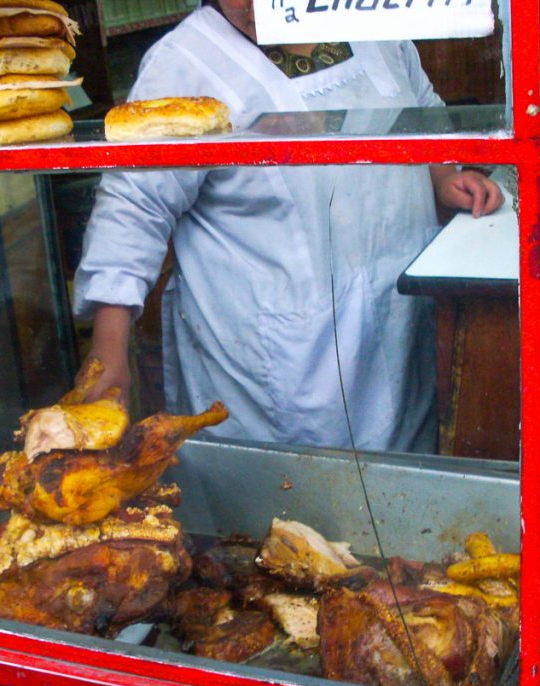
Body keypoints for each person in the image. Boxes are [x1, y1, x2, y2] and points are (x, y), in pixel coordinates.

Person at [72, 0, 503, 453]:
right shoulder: (184, 63)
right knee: (288, 512)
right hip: (280, 369)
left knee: (408, 493)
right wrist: (109, 349)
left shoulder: (370, 22)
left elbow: (419, 108)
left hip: (401, 329)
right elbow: (133, 208)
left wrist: (444, 177)